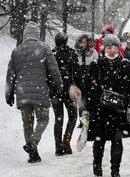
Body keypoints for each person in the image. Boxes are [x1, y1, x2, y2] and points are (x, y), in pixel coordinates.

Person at [5, 22, 64, 163]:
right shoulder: (44, 48)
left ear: (25, 34)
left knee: (27, 123)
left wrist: (8, 94)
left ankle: (33, 154)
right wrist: (59, 85)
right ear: (37, 34)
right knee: (43, 119)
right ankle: (33, 142)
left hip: (22, 93)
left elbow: (10, 75)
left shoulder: (17, 51)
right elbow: (54, 69)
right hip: (40, 91)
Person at [83, 34, 130, 177]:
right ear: (105, 47)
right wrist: (88, 107)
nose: (112, 50)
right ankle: (97, 163)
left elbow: (129, 87)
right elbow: (89, 88)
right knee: (100, 140)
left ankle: (115, 169)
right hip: (100, 109)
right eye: (109, 47)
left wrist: (128, 104)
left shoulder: (125, 64)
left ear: (119, 48)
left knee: (117, 140)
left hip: (118, 110)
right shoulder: (96, 64)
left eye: (115, 47)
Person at [51, 32, 81, 156]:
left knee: (59, 119)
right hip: (69, 91)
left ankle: (58, 146)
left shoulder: (52, 54)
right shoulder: (72, 53)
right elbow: (77, 73)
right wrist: (77, 86)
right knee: (73, 116)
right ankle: (66, 140)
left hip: (55, 91)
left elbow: (48, 74)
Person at [75, 34, 99, 125]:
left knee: (89, 100)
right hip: (80, 80)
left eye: (85, 42)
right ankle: (82, 120)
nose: (83, 44)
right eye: (82, 42)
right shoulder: (77, 53)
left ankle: (88, 120)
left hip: (90, 80)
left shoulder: (93, 52)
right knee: (81, 101)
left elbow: (96, 65)